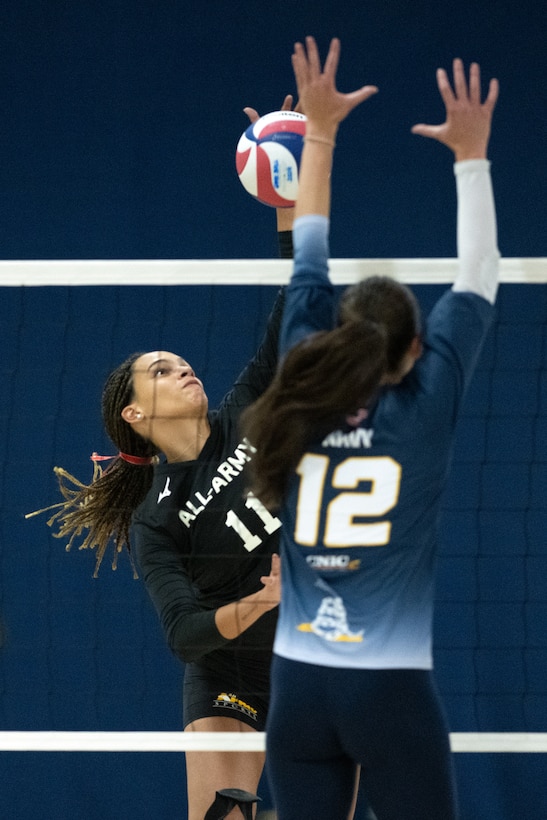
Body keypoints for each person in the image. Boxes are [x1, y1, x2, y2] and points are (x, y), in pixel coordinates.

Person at [242, 37, 499, 820]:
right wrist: (472, 157)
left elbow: (308, 252)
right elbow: (479, 272)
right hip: (386, 691)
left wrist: (316, 133)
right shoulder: (426, 407)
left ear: (337, 332)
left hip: (298, 690)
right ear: (416, 349)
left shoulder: (300, 379)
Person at [31, 100, 302, 820]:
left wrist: (291, 198)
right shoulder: (157, 520)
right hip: (229, 666)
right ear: (135, 414)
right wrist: (256, 603)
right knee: (222, 817)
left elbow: (297, 300)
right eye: (161, 370)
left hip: (312, 647)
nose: (183, 371)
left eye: (182, 363)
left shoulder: (244, 411)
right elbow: (184, 635)